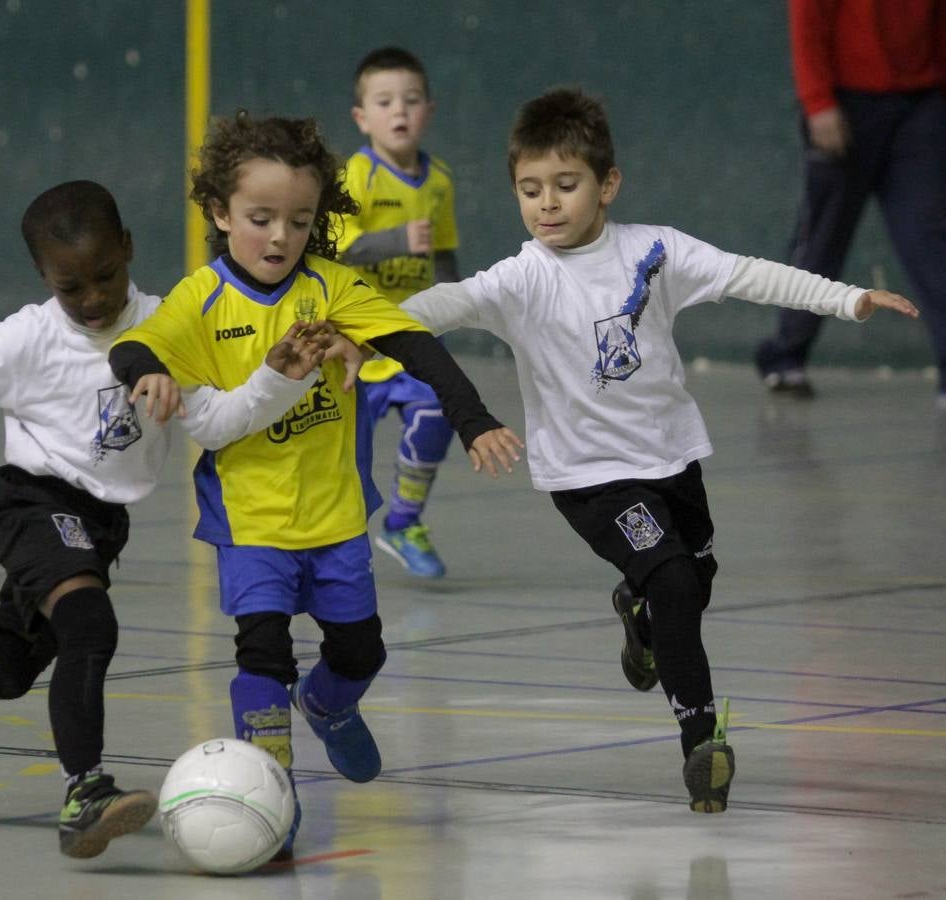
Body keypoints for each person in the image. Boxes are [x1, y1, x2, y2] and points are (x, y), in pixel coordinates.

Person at [399, 88, 918, 812]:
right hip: (591, 481)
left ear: (607, 184)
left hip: (672, 460)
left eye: (566, 185)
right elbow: (435, 307)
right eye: (530, 189)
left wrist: (849, 299)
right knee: (674, 579)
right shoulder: (521, 279)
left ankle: (639, 620)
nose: (547, 204)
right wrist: (353, 328)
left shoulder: (657, 252)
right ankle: (701, 740)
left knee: (694, 581)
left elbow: (751, 275)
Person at [0, 180, 351, 859]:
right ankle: (84, 790)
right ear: (44, 279)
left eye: (105, 277)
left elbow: (215, 422)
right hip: (31, 501)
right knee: (89, 628)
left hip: (99, 524)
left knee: (8, 670)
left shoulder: (170, 324)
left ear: (128, 249)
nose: (92, 300)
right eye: (71, 288)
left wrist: (278, 377)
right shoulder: (26, 340)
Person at [109, 112, 523, 858]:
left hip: (335, 520)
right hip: (253, 522)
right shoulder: (200, 300)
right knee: (261, 652)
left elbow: (418, 347)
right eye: (260, 218)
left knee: (361, 653)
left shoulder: (335, 289)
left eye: (298, 221)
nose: (279, 237)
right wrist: (146, 375)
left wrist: (474, 418)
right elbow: (137, 343)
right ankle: (274, 799)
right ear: (219, 214)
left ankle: (328, 706)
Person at [754, 0, 945, 404]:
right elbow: (807, 18)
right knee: (824, 236)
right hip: (845, 104)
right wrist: (818, 101)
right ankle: (786, 356)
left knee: (930, 238)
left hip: (921, 105)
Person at [335, 46, 463, 578]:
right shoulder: (356, 177)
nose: (400, 112)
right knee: (346, 464)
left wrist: (458, 306)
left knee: (440, 410)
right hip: (356, 345)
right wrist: (396, 239)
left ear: (428, 112)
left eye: (411, 101)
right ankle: (337, 545)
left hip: (408, 336)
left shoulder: (439, 182)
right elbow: (338, 248)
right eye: (385, 102)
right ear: (363, 118)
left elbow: (446, 257)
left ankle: (404, 521)